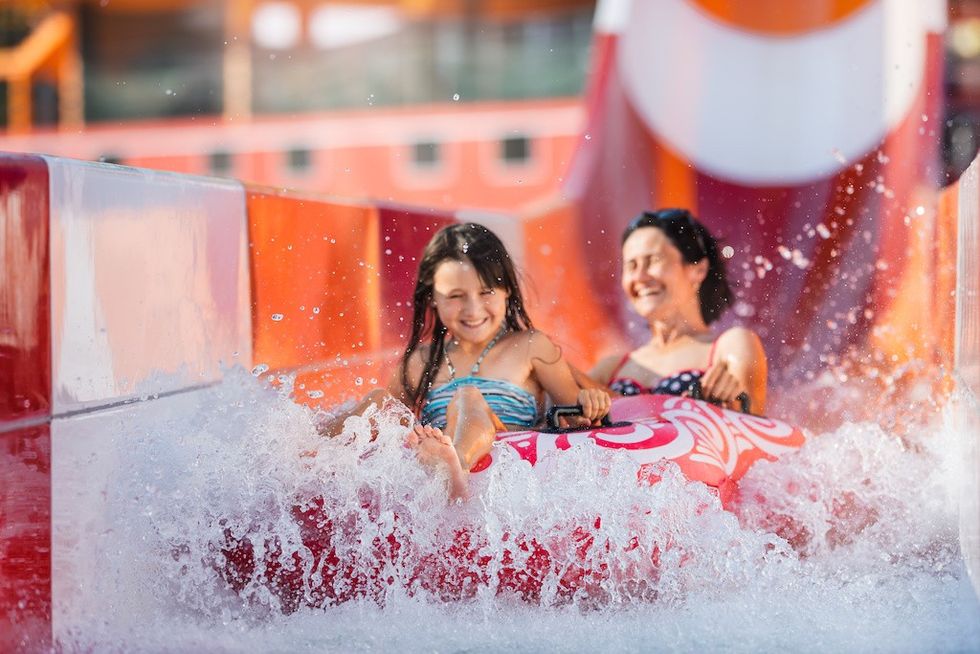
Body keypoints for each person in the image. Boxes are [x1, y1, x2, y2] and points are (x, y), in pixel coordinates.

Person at [323, 222, 610, 500]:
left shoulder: (530, 346)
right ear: (432, 297)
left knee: (467, 396)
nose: (473, 310)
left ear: (507, 290)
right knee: (380, 403)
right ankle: (305, 453)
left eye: (486, 293)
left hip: (504, 468)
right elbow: (397, 427)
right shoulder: (418, 362)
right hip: (432, 461)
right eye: (456, 296)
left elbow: (576, 419)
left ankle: (454, 464)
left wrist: (590, 403)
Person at [589, 208, 767, 414]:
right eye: (631, 266)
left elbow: (753, 429)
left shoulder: (729, 347)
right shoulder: (609, 369)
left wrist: (731, 404)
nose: (640, 276)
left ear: (698, 269)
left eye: (653, 261)